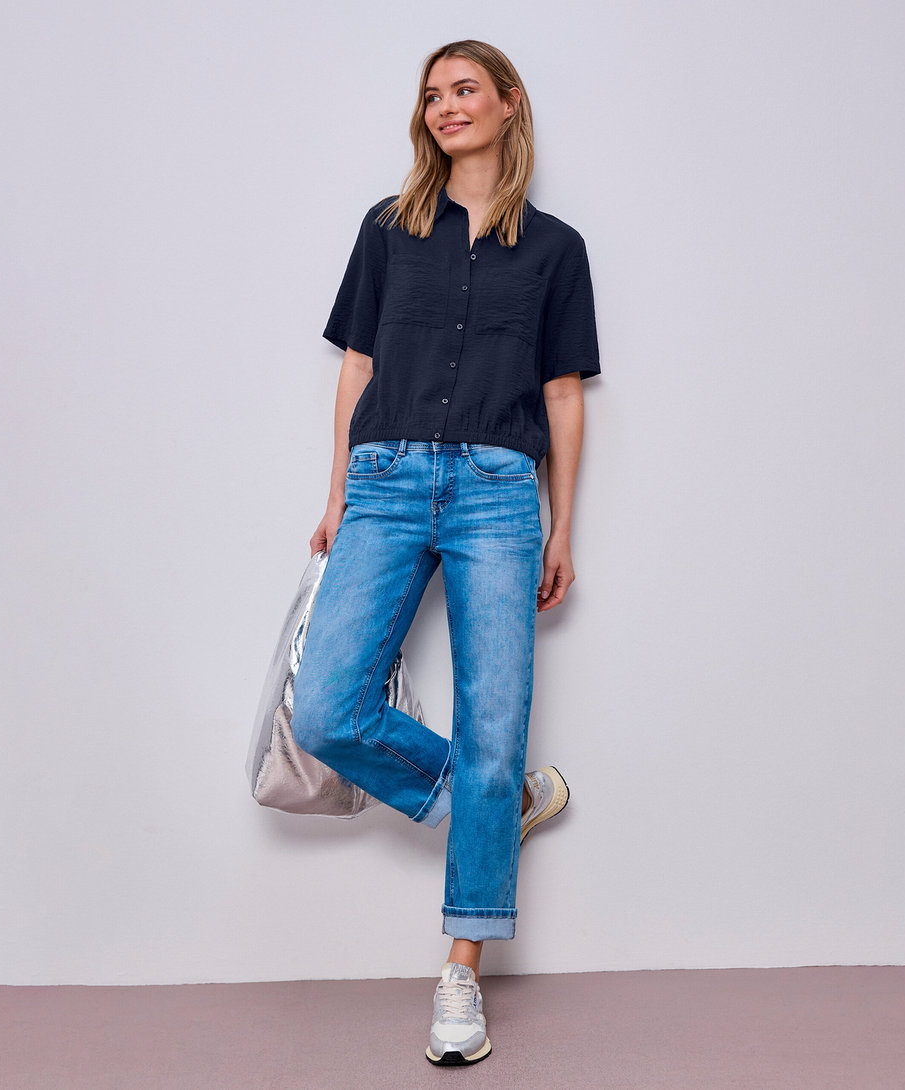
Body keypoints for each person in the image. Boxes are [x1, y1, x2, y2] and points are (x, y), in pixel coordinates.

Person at [291, 39, 600, 1066]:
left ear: (509, 106)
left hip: (500, 496)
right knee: (328, 706)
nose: (445, 108)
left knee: (495, 717)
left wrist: (564, 522)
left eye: (465, 90)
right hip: (384, 483)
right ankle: (493, 795)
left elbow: (562, 395)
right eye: (431, 95)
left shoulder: (555, 250)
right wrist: (338, 490)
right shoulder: (388, 230)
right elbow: (359, 368)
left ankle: (459, 973)